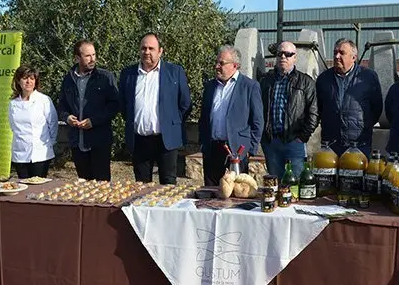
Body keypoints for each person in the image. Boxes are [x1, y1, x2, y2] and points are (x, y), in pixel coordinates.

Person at [119, 32, 191, 184]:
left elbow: (185, 104)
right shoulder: (128, 74)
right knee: (141, 186)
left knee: (168, 186)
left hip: (166, 140)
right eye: (143, 48)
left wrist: (171, 123)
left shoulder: (175, 72)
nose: (146, 52)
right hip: (140, 140)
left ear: (160, 51)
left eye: (151, 48)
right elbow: (124, 105)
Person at [199, 46, 263, 185]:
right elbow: (204, 118)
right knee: (211, 195)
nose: (217, 66)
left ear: (235, 65)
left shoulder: (249, 86)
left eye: (221, 63)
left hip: (237, 151)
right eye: (216, 62)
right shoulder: (210, 87)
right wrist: (203, 143)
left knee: (236, 195)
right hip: (212, 150)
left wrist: (250, 149)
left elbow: (257, 122)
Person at [57, 40, 119, 181]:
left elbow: (114, 105)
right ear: (77, 58)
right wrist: (67, 118)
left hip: (99, 141)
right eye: (88, 56)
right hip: (77, 142)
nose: (92, 59)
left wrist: (94, 121)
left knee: (102, 187)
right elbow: (62, 105)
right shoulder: (68, 79)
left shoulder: (105, 78)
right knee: (84, 186)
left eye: (94, 55)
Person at [259, 41, 318, 178]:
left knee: (295, 184)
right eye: (280, 54)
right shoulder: (266, 81)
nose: (283, 57)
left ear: (295, 57)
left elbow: (313, 113)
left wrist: (302, 137)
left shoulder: (306, 82)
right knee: (274, 185)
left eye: (288, 54)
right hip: (271, 142)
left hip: (294, 142)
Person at [316, 38, 383, 158]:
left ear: (353, 57)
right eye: (335, 52)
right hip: (331, 145)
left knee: (356, 176)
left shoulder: (368, 77)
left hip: (359, 145)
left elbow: (376, 108)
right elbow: (319, 108)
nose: (336, 56)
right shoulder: (323, 79)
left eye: (342, 53)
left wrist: (361, 124)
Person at [8, 65, 58, 179]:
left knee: (38, 186)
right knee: (23, 186)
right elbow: (13, 126)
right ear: (18, 81)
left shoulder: (44, 100)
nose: (28, 81)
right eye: (25, 78)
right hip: (20, 153)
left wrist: (50, 143)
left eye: (32, 78)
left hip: (40, 152)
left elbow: (53, 124)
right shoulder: (13, 103)